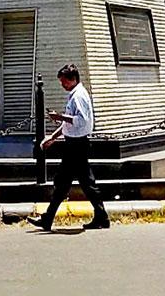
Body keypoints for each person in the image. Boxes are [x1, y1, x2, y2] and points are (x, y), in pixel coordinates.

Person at [27, 64, 109, 231]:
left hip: (77, 146)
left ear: (73, 79)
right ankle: (100, 216)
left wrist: (59, 117)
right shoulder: (76, 94)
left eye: (64, 82)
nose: (62, 85)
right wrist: (53, 137)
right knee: (75, 183)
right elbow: (69, 124)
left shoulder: (78, 96)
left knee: (72, 183)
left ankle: (49, 219)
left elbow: (80, 120)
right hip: (75, 144)